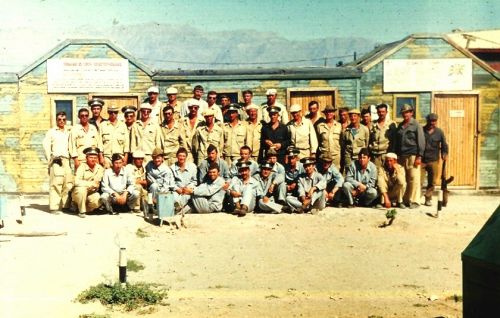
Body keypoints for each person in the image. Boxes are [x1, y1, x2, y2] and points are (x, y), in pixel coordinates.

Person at [395, 104, 425, 209]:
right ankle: (405, 200)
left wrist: (419, 156)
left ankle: (415, 201)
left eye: (407, 112)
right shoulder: (401, 126)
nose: (405, 114)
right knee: (403, 178)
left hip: (413, 155)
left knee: (414, 178)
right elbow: (397, 141)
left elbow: (421, 141)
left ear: (411, 113)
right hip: (402, 156)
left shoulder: (416, 125)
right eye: (403, 113)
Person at [42, 111, 73, 214]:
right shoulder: (51, 132)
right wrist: (50, 158)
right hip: (56, 160)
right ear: (56, 120)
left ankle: (65, 206)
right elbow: (46, 145)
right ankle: (54, 207)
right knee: (56, 183)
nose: (61, 121)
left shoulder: (69, 131)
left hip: (67, 160)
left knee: (67, 183)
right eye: (59, 119)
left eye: (64, 119)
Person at [422, 113, 448, 206]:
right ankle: (416, 199)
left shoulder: (439, 132)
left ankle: (428, 198)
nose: (432, 123)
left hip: (433, 160)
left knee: (432, 181)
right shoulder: (421, 130)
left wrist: (444, 153)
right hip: (421, 160)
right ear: (427, 121)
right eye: (430, 121)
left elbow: (444, 144)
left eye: (434, 121)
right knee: (418, 181)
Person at [71, 147, 105, 218]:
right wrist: (90, 184)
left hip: (91, 192)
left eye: (95, 158)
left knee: (97, 199)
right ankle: (81, 211)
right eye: (91, 157)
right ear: (86, 158)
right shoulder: (82, 167)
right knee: (82, 190)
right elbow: (76, 181)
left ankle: (80, 207)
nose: (93, 159)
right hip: (79, 192)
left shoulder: (100, 168)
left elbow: (99, 182)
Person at [369, 103, 396, 168]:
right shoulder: (372, 124)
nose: (381, 113)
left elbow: (394, 140)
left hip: (386, 154)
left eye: (383, 112)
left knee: (386, 175)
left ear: (386, 112)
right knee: (375, 174)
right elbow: (369, 139)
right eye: (379, 112)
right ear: (377, 113)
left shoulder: (391, 124)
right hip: (374, 155)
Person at [170, 147, 197, 213]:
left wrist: (187, 188)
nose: (181, 158)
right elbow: (171, 182)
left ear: (186, 157)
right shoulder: (172, 168)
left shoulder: (192, 166)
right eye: (180, 156)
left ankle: (177, 209)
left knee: (187, 197)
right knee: (173, 197)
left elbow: (195, 181)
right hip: (177, 190)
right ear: (176, 156)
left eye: (183, 156)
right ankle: (179, 208)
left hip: (188, 189)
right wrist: (177, 189)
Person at [341, 108, 369, 172]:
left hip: (360, 158)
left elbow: (366, 145)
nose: (353, 118)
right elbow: (343, 145)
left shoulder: (365, 129)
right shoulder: (345, 130)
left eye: (355, 116)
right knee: (349, 175)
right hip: (349, 158)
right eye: (351, 116)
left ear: (359, 117)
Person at [316, 104, 342, 169]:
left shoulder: (339, 126)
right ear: (324, 113)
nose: (329, 113)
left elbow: (341, 141)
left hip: (335, 156)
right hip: (324, 156)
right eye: (327, 112)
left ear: (334, 113)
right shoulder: (320, 126)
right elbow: (317, 142)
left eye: (330, 112)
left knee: (336, 174)